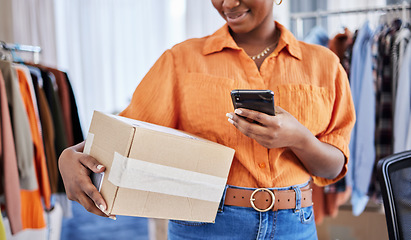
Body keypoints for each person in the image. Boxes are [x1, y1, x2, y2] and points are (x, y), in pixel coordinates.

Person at [58, 0, 356, 239]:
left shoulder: (325, 65)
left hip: (295, 227)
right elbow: (129, 134)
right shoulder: (180, 60)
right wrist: (71, 155)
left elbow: (333, 168)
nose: (227, 3)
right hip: (205, 226)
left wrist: (299, 139)